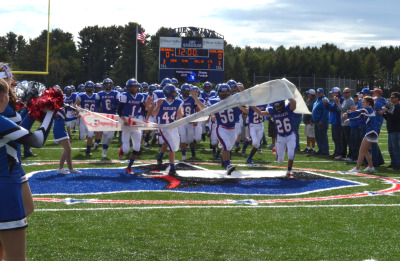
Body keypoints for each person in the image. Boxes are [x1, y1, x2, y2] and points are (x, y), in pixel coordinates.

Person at [0, 76, 54, 261]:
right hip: (5, 191)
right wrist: (50, 114)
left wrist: (32, 113)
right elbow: (37, 140)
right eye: (8, 92)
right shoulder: (1, 121)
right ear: (2, 97)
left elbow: (15, 133)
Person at [209, 84, 248, 175]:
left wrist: (239, 104)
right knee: (226, 147)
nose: (224, 93)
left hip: (232, 129)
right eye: (222, 91)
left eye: (226, 91)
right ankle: (228, 166)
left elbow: (247, 109)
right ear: (218, 92)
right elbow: (205, 110)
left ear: (229, 92)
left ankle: (224, 160)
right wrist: (212, 114)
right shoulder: (215, 101)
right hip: (222, 128)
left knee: (228, 148)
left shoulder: (233, 102)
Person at [253, 98, 297, 178]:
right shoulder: (272, 111)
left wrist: (286, 95)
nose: (278, 108)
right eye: (276, 107)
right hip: (280, 136)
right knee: (280, 160)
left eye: (279, 106)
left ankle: (289, 171)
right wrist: (251, 105)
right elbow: (259, 112)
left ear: (283, 104)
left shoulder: (289, 108)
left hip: (291, 135)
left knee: (291, 154)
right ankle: (277, 146)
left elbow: (294, 102)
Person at [152, 84, 183, 176]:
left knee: (175, 147)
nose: (175, 93)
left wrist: (180, 120)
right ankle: (172, 168)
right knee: (172, 147)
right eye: (173, 92)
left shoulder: (178, 102)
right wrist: (158, 106)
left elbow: (179, 115)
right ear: (168, 93)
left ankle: (164, 160)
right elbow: (154, 114)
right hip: (164, 127)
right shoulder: (159, 101)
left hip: (173, 126)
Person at [117, 78, 146, 174]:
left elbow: (144, 109)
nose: (134, 88)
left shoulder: (140, 96)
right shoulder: (125, 96)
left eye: (135, 86)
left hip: (135, 121)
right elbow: (119, 110)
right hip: (126, 120)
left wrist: (149, 106)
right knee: (126, 149)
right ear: (128, 87)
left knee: (137, 147)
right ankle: (122, 148)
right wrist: (124, 120)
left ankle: (129, 167)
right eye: (132, 86)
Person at [346, 96, 379, 173]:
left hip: (371, 132)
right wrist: (349, 119)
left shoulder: (369, 108)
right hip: (371, 132)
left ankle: (357, 168)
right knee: (365, 150)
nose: (361, 103)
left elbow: (359, 112)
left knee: (361, 151)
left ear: (368, 103)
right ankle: (371, 167)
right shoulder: (367, 110)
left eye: (363, 102)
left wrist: (349, 114)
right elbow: (359, 117)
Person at [53, 91, 81, 174]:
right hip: (59, 131)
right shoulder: (59, 110)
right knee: (67, 149)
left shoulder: (59, 109)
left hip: (61, 130)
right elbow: (66, 119)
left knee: (68, 150)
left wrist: (75, 113)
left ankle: (70, 168)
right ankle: (60, 168)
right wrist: (76, 117)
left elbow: (65, 117)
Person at [96, 78, 120, 158]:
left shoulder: (116, 93)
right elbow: (96, 105)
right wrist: (98, 110)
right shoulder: (100, 94)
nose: (108, 85)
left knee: (110, 136)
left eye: (109, 84)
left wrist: (115, 106)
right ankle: (104, 150)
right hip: (104, 115)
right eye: (106, 84)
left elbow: (119, 104)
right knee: (105, 133)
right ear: (104, 85)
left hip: (113, 115)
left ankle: (105, 148)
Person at [74, 81, 97, 156]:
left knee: (90, 135)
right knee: (82, 137)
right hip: (83, 118)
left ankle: (88, 150)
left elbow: (100, 106)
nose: (89, 88)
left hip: (92, 118)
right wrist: (78, 111)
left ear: (93, 88)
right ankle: (88, 147)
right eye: (88, 87)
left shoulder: (96, 96)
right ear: (85, 88)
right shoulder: (81, 96)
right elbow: (76, 105)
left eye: (91, 87)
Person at [379, 92, 400, 170]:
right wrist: (383, 114)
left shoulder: (398, 107)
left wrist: (386, 111)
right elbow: (389, 118)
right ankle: (393, 163)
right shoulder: (393, 107)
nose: (391, 99)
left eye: (393, 97)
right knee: (391, 148)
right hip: (391, 130)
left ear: (397, 98)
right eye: (391, 97)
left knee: (396, 148)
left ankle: (397, 164)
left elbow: (395, 117)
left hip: (396, 130)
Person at [323, 87, 344, 158]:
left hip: (337, 121)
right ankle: (336, 151)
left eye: (333, 92)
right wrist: (327, 104)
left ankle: (339, 152)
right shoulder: (336, 99)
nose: (332, 94)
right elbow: (331, 108)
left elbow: (334, 109)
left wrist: (327, 103)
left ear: (336, 93)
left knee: (337, 137)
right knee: (335, 137)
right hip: (334, 121)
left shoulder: (339, 99)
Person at [335, 87, 355, 161]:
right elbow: (340, 109)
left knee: (348, 141)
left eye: (346, 92)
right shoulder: (345, 100)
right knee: (343, 140)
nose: (344, 94)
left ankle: (350, 155)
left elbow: (342, 109)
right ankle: (343, 154)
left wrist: (337, 103)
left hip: (347, 124)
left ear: (350, 93)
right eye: (344, 92)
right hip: (343, 123)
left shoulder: (349, 100)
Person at [370, 88, 386, 167]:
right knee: (373, 142)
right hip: (376, 124)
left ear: (378, 94)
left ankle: (376, 161)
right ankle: (379, 160)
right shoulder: (379, 102)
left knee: (373, 143)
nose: (372, 95)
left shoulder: (378, 103)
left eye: (374, 93)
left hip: (375, 124)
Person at [312, 88, 329, 155]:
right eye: (317, 92)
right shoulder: (317, 101)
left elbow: (325, 111)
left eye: (319, 92)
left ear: (322, 93)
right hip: (316, 121)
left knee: (323, 136)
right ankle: (320, 149)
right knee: (318, 136)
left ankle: (325, 151)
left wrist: (322, 120)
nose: (318, 94)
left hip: (321, 121)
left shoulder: (324, 100)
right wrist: (312, 120)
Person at [302, 89, 317, 154]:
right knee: (308, 135)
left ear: (312, 95)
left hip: (310, 120)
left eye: (309, 94)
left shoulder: (314, 102)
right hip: (306, 120)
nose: (308, 95)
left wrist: (312, 120)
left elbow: (314, 112)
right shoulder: (308, 100)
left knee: (312, 135)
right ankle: (308, 147)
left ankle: (313, 148)